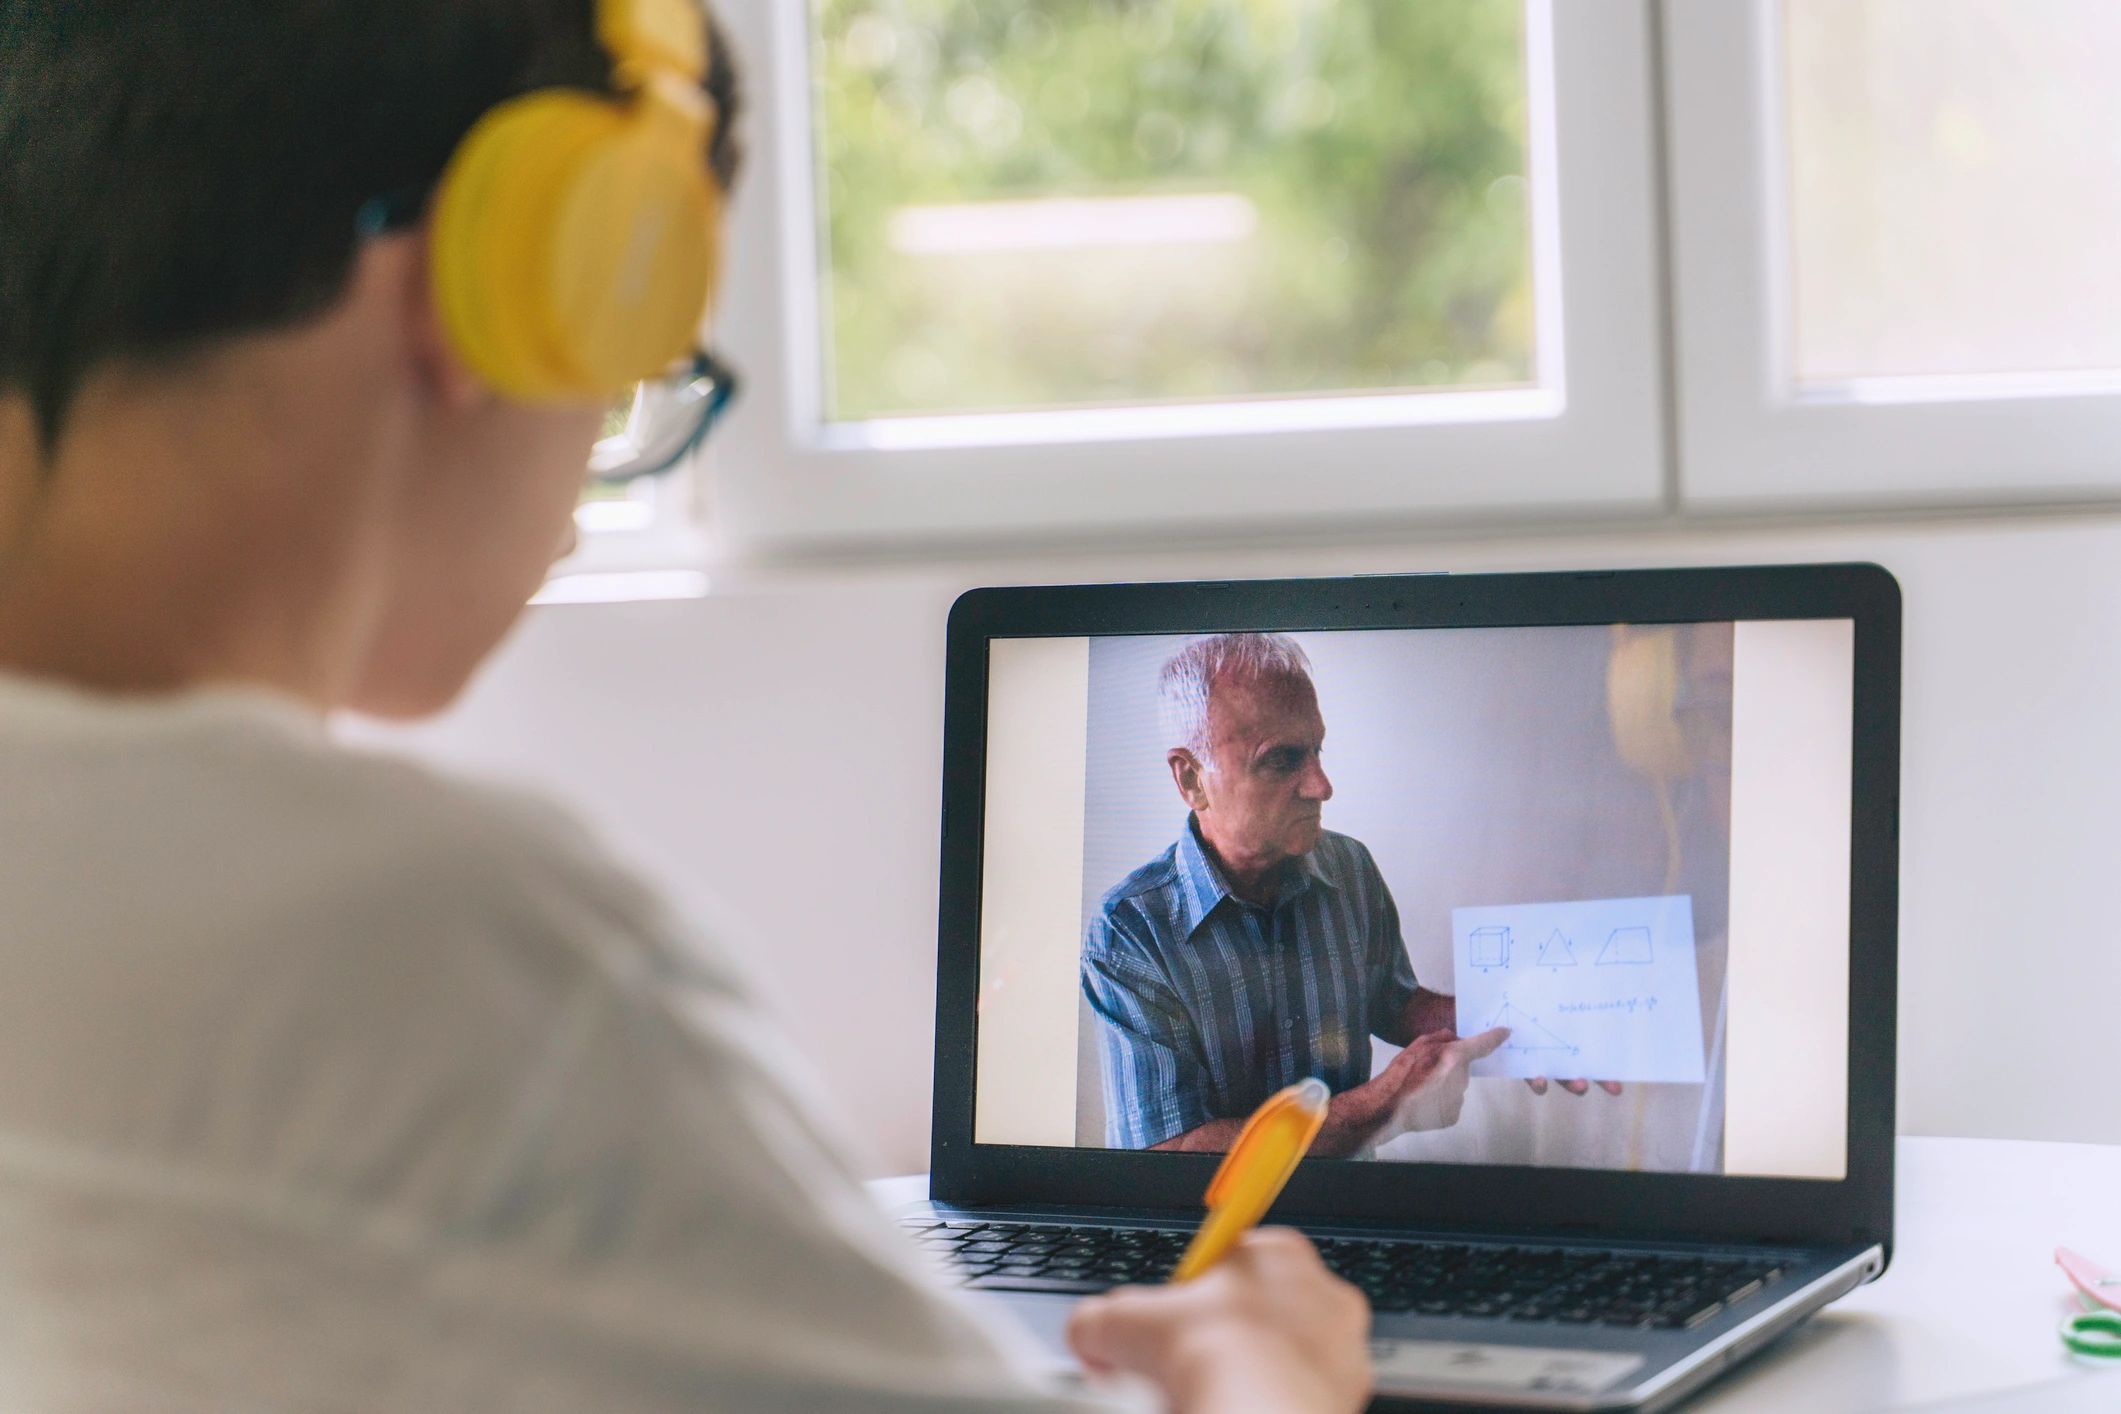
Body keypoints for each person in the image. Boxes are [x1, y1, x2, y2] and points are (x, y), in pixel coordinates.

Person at [0, 3, 1371, 1410]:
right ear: (508, 283)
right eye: (634, 369)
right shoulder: (450, 952)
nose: (588, 486)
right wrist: (1268, 1375)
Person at [1083, 634, 1601, 1156]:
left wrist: (1530, 1020)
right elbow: (1170, 1154)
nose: (1321, 785)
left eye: (1316, 751)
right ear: (1192, 778)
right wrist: (1385, 1103)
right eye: (1282, 760)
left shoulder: (1348, 867)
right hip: (1217, 1237)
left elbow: (1393, 1003)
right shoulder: (1130, 931)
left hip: (1352, 1214)